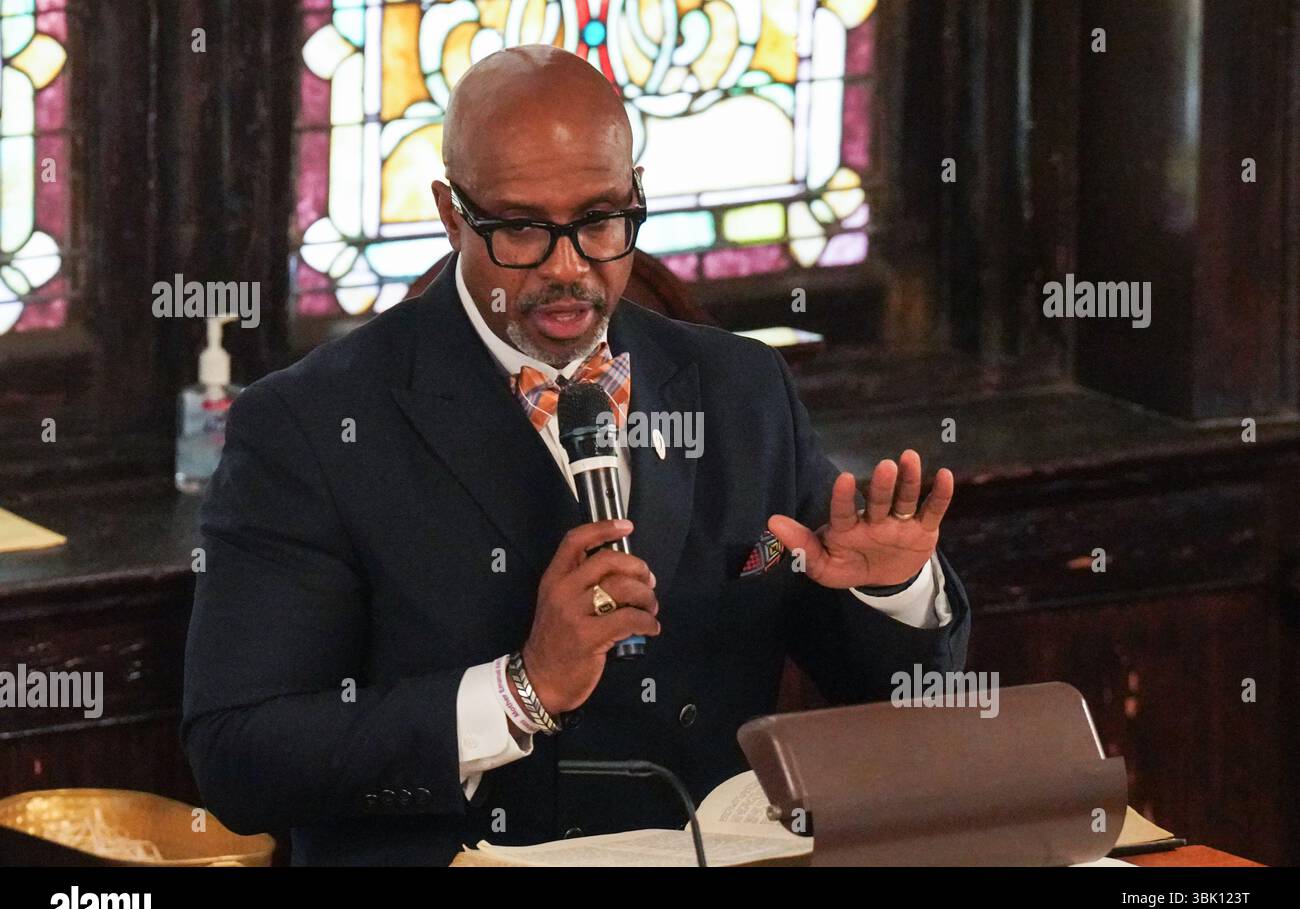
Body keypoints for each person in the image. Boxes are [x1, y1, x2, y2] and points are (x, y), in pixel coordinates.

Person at [182, 45, 970, 865]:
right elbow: (241, 757)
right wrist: (520, 691)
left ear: (636, 195)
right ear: (453, 215)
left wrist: (892, 594)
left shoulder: (740, 388)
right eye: (522, 228)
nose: (568, 269)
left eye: (599, 221)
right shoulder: (310, 425)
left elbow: (892, 700)